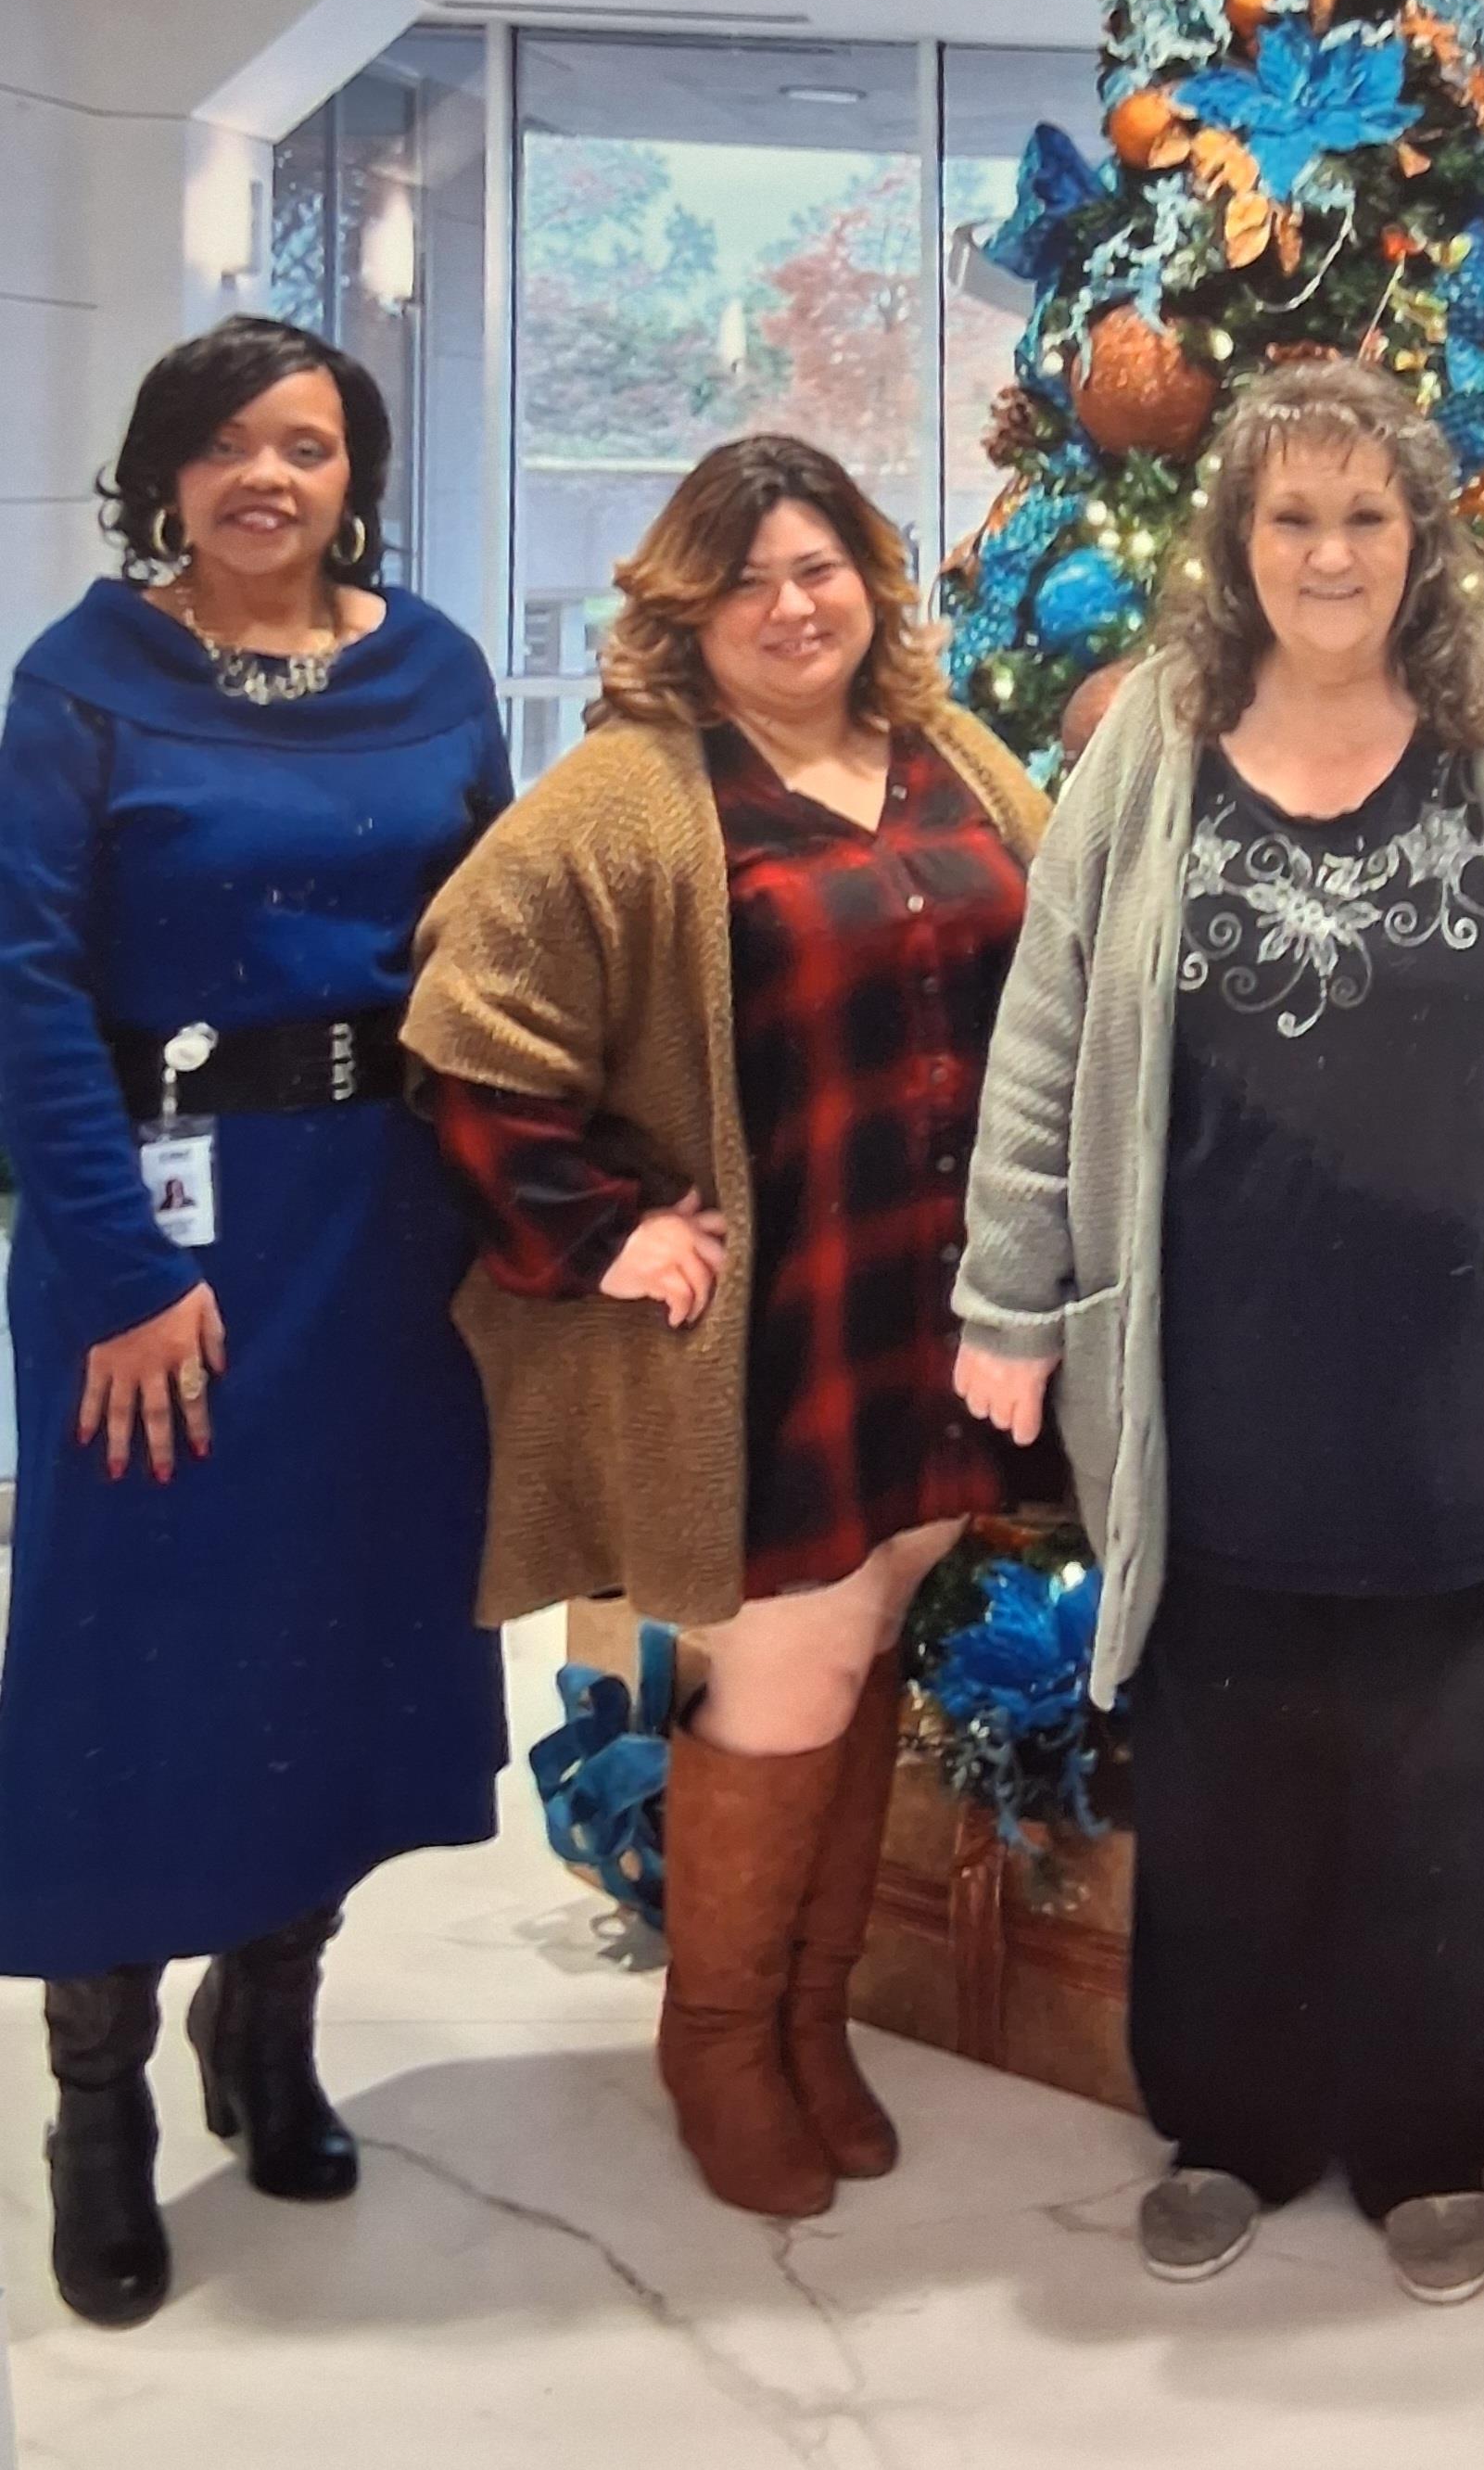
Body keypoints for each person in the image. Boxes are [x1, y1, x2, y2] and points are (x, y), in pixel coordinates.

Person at [951, 357, 1484, 2308]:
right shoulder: (1159, 728)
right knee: (1228, 1779)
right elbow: (1047, 1020)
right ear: (1236, 536)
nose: (1331, 552)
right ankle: (1232, 2123)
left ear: (1423, 532)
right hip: (1217, 1375)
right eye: (1291, 515)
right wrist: (1011, 1291)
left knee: (1458, 1781)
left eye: (1367, 513)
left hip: (1468, 1379)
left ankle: (1429, 2137)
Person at [407, 433, 1049, 2222]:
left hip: (944, 1308)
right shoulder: (634, 794)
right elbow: (467, 1023)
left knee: (865, 1643)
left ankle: (808, 2019)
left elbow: (1068, 967)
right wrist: (600, 1230)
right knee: (784, 1673)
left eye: (818, 567)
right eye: (746, 579)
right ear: (685, 606)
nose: (790, 606)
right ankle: (715, 2039)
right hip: (783, 1339)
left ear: (870, 581)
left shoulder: (951, 756)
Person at [0, 316, 511, 2331]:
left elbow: (496, 942)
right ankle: (97, 2108)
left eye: (302, 442)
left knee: (342, 1638)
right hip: (154, 1245)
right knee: (133, 1664)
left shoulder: (432, 669)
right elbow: (29, 986)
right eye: (222, 445)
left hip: (381, 1238)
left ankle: (268, 2025)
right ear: (165, 475)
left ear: (351, 470)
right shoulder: (85, 679)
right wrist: (122, 1275)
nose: (263, 476)